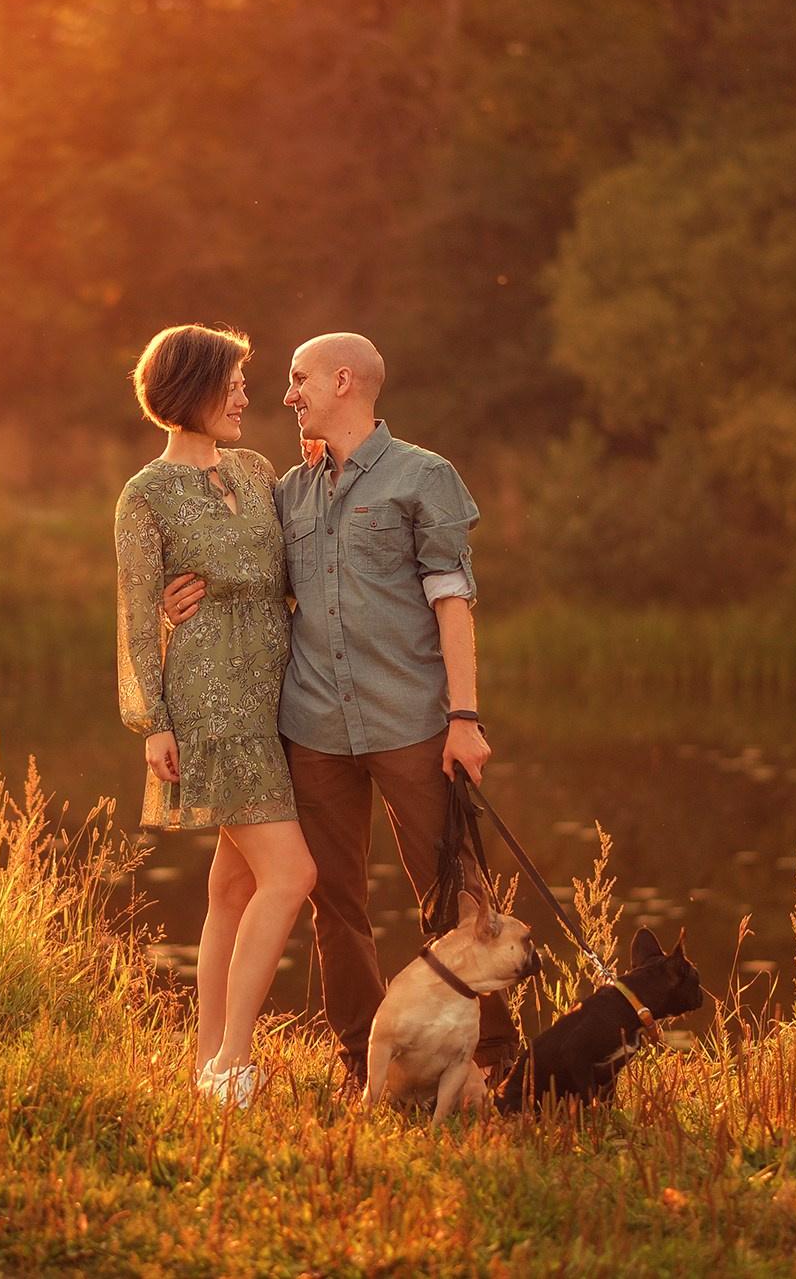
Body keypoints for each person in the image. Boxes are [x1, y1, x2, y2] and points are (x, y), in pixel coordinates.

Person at [163, 331, 511, 1089]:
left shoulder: (425, 476)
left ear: (344, 380)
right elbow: (235, 567)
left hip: (412, 721)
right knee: (337, 908)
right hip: (313, 726)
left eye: (298, 379)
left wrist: (464, 715)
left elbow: (453, 603)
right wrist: (175, 594)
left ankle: (500, 1062)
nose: (286, 395)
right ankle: (364, 1062)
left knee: (458, 896)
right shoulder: (288, 490)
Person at [113, 323, 318, 1108]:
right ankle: (234, 1063)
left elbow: (289, 561)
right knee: (292, 873)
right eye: (231, 379)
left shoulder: (258, 468)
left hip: (275, 693)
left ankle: (206, 1064)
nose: (244, 393)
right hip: (209, 703)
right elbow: (136, 614)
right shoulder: (145, 494)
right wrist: (152, 721)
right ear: (191, 386)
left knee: (232, 890)